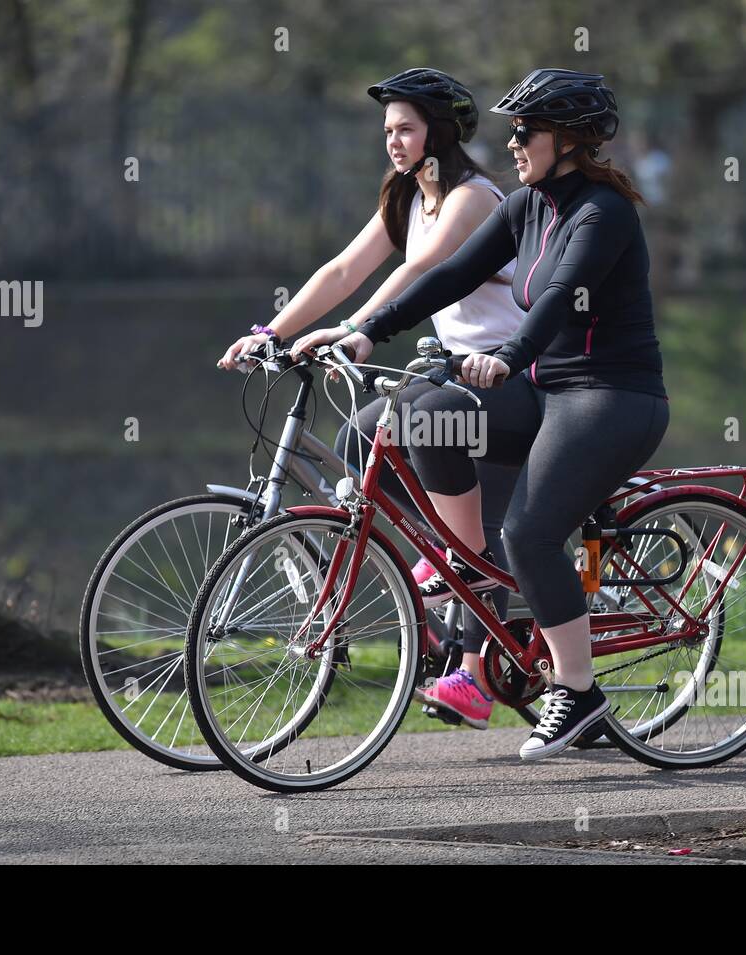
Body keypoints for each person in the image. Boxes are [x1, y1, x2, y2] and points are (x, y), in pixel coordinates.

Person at [304, 69, 671, 760]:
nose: (513, 142)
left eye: (525, 130)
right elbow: (449, 275)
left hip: (611, 397)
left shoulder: (603, 212)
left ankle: (580, 694)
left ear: (566, 139)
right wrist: (366, 330)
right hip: (544, 390)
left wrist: (508, 354)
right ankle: (469, 565)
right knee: (423, 414)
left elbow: (562, 295)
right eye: (512, 130)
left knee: (530, 532)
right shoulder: (527, 204)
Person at [219, 69, 525, 729]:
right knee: (361, 436)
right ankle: (443, 551)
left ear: (439, 132)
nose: (393, 140)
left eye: (405, 128)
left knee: (433, 457)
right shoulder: (405, 198)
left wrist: (357, 331)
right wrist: (273, 333)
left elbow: (424, 273)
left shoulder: (474, 198)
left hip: (506, 379)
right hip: (451, 377)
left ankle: (454, 566)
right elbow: (343, 269)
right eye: (387, 130)